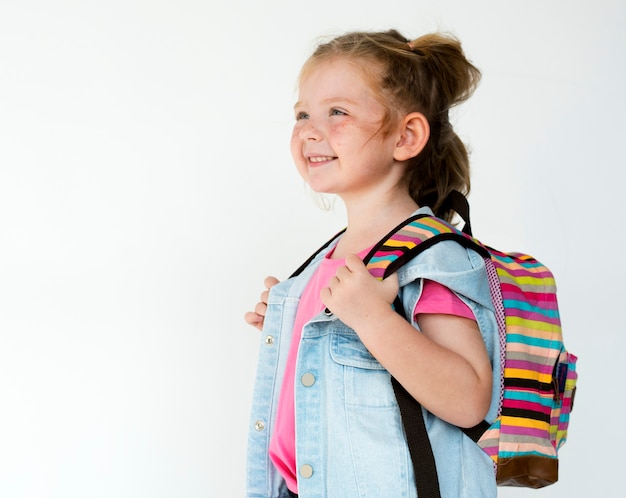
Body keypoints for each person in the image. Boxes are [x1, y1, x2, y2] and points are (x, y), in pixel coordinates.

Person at [244, 29, 501, 498]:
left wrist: (370, 318)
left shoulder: (430, 254)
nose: (309, 130)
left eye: (337, 112)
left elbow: (468, 399)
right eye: (302, 113)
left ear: (407, 136)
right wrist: (292, 319)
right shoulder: (328, 257)